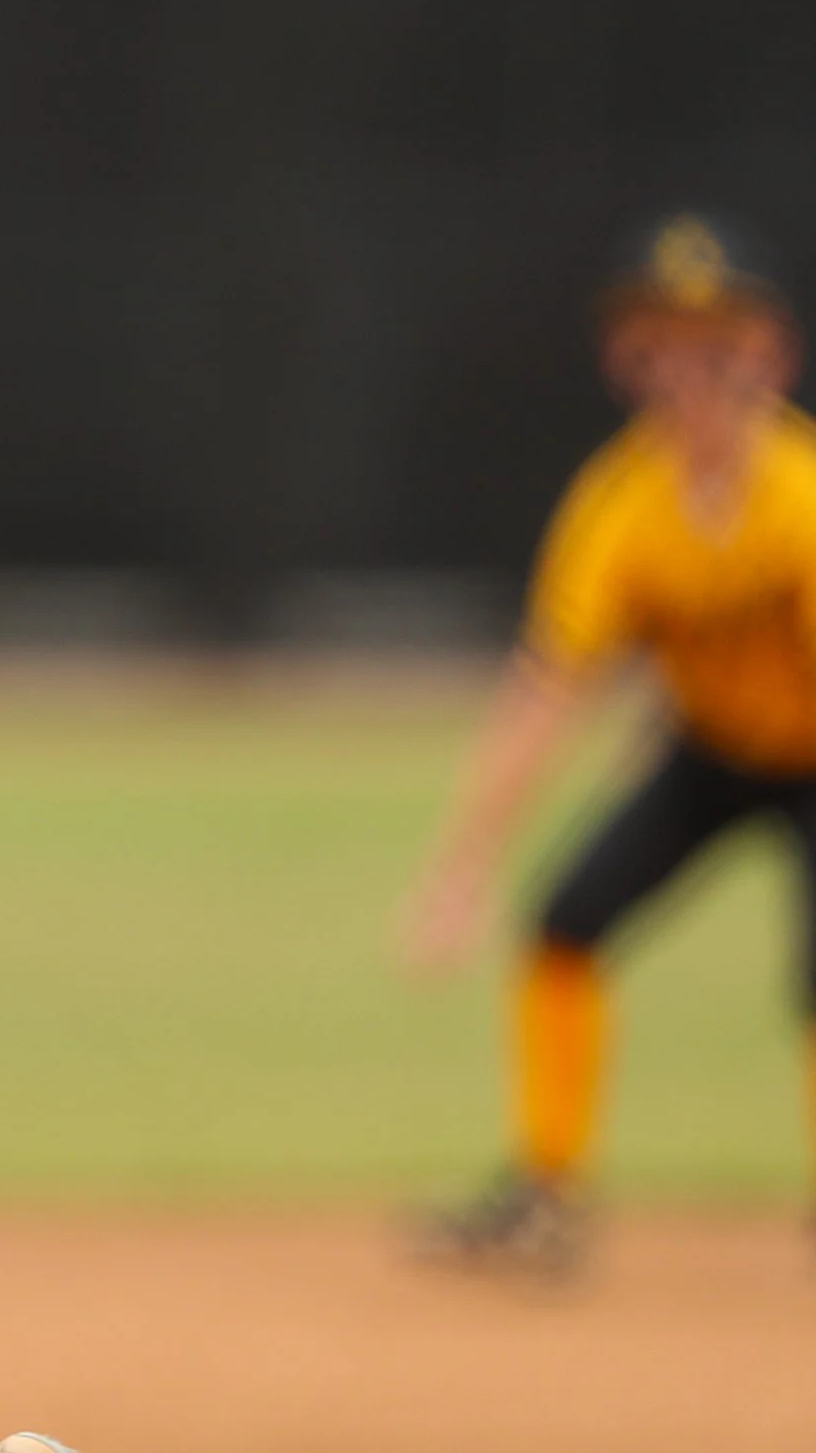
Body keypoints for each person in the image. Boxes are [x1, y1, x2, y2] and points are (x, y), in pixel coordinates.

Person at [405, 213, 816, 1273]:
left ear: (769, 352)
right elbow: (546, 690)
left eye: (714, 343)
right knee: (565, 922)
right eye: (662, 342)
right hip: (712, 750)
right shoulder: (618, 507)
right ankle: (547, 1193)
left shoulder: (802, 498)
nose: (689, 368)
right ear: (625, 358)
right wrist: (463, 865)